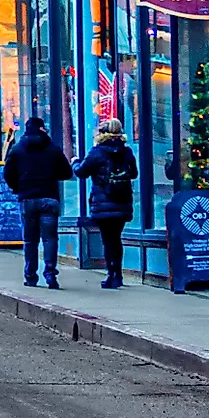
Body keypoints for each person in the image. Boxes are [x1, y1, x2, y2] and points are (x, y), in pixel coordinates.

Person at [7, 117, 75, 288]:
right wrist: (50, 175)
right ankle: (51, 274)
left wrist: (18, 187)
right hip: (49, 198)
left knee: (30, 240)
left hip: (27, 198)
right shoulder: (53, 149)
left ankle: (30, 276)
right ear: (42, 129)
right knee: (50, 238)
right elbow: (67, 173)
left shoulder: (17, 150)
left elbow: (8, 174)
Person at [77, 117, 139, 289]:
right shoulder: (126, 152)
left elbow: (81, 172)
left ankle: (111, 274)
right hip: (122, 201)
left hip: (103, 202)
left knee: (107, 239)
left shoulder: (97, 152)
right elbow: (134, 173)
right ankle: (118, 274)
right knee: (116, 239)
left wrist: (75, 162)